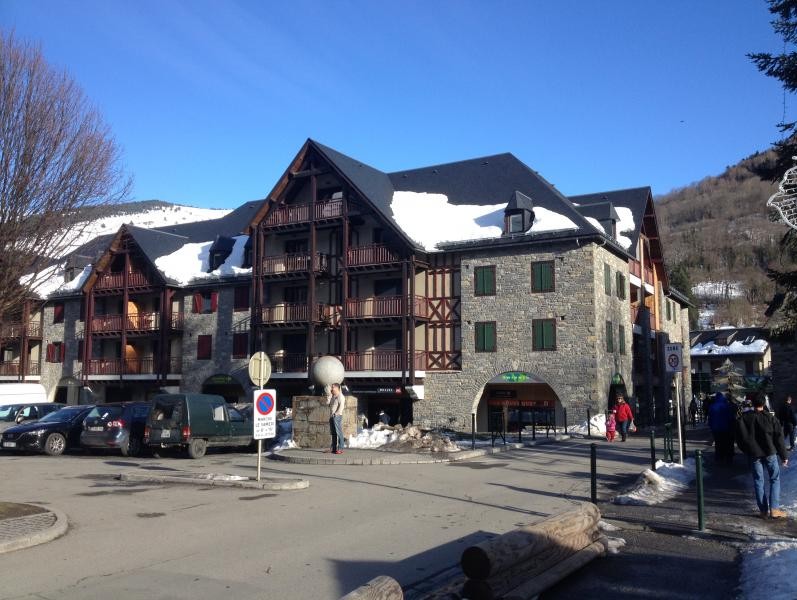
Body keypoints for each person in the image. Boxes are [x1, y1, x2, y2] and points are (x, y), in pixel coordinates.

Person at [735, 395, 789, 519]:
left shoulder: (744, 419)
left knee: (758, 481)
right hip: (770, 452)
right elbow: (779, 439)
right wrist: (783, 456)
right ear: (764, 404)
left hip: (754, 454)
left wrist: (747, 450)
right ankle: (774, 509)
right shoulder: (771, 418)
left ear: (752, 404)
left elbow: (739, 438)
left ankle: (763, 510)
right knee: (774, 479)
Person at [708, 392, 735, 464]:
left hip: (716, 429)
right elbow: (731, 417)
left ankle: (719, 457)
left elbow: (710, 418)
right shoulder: (727, 405)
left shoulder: (712, 406)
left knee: (718, 443)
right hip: (726, 428)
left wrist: (711, 426)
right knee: (727, 443)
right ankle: (728, 458)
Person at [324, 383, 345, 454]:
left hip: (337, 416)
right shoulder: (333, 396)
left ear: (337, 388)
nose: (331, 389)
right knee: (333, 433)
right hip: (332, 416)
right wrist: (329, 395)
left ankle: (340, 448)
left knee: (339, 432)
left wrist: (336, 414)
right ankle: (333, 448)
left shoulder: (340, 396)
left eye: (333, 387)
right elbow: (327, 403)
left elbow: (341, 406)